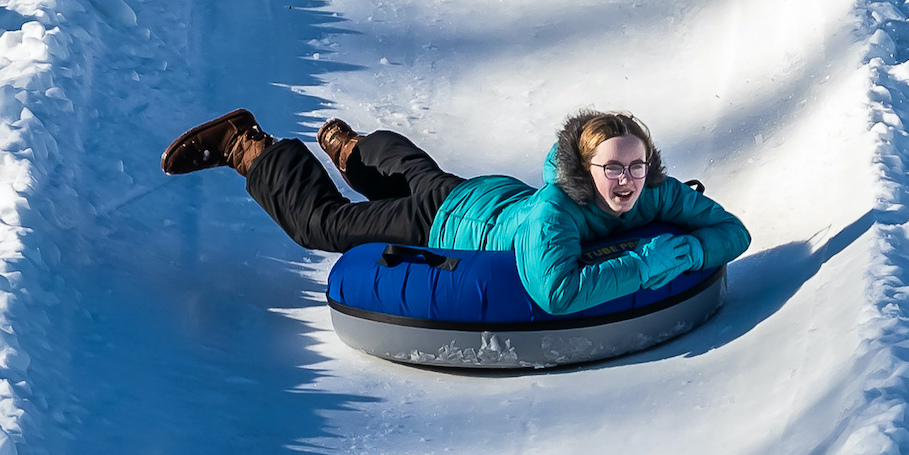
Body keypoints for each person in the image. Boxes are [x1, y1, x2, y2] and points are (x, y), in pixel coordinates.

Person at [161, 108, 750, 315]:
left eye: (637, 166)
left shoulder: (655, 191)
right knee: (326, 224)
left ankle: (353, 149)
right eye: (612, 168)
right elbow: (556, 293)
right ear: (584, 168)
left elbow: (735, 232)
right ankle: (247, 145)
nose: (626, 182)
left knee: (423, 178)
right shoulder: (554, 215)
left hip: (486, 195)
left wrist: (694, 249)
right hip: (442, 225)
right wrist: (648, 265)